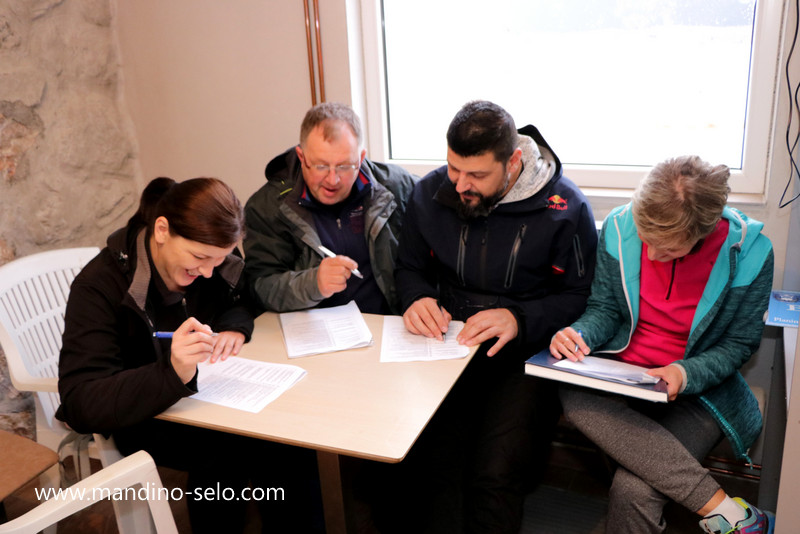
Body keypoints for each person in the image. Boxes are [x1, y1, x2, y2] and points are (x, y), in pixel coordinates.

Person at [57, 177, 321, 533]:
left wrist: (234, 327)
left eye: (219, 260)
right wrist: (172, 371)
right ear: (162, 230)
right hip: (145, 415)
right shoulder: (99, 286)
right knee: (228, 455)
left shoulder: (211, 257)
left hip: (210, 396)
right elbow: (81, 402)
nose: (209, 272)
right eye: (200, 258)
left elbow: (240, 298)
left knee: (291, 437)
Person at [390, 100, 598, 533]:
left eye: (477, 176)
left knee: (495, 472)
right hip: (447, 345)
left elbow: (579, 296)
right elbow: (409, 267)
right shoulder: (429, 194)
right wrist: (416, 298)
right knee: (434, 461)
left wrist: (519, 318)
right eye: (453, 169)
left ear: (513, 161)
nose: (460, 185)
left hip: (523, 355)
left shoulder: (565, 208)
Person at [549, 155, 775, 534]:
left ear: (702, 233)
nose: (651, 255)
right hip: (623, 374)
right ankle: (732, 514)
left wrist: (684, 374)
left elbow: (739, 344)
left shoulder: (751, 254)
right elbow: (604, 309)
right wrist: (579, 335)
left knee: (634, 488)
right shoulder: (620, 228)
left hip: (700, 394)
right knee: (570, 393)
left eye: (668, 250)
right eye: (645, 240)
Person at [243, 102, 416, 315]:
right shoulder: (268, 206)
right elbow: (259, 287)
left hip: (389, 327)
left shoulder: (398, 188)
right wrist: (313, 284)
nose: (332, 179)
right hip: (312, 334)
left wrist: (420, 296)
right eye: (321, 166)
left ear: (360, 158)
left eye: (344, 166)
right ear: (301, 156)